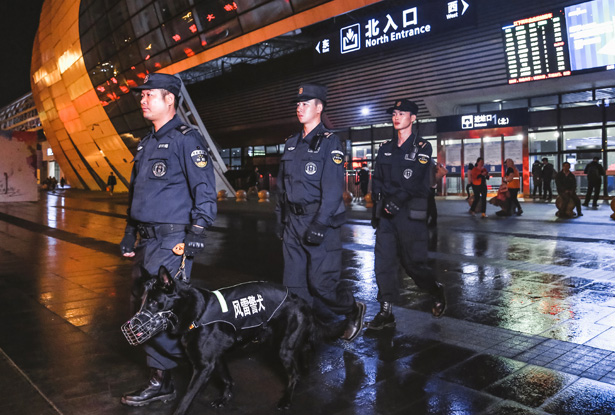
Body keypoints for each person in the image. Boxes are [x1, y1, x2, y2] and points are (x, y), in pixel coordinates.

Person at [119, 73, 217, 407]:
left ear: (170, 100)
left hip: (172, 241)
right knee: (143, 309)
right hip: (147, 241)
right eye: (142, 96)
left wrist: (197, 233)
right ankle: (169, 375)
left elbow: (204, 188)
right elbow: (137, 194)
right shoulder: (146, 144)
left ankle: (168, 378)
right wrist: (130, 234)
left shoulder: (186, 139)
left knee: (159, 312)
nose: (143, 100)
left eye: (150, 95)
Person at [275, 83, 365, 341]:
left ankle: (352, 308)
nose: (299, 108)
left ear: (319, 108)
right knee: (294, 285)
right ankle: (301, 332)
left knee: (321, 285)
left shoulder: (330, 143)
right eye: (298, 104)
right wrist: (279, 219)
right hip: (293, 222)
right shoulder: (291, 143)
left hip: (318, 221)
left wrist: (319, 224)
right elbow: (282, 187)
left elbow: (333, 190)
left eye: (305, 104)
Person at [366, 98, 446, 331]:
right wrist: (378, 209)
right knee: (383, 262)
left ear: (413, 118)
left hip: (409, 215)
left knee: (414, 264)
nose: (396, 116)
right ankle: (386, 310)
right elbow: (378, 180)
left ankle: (434, 289)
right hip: (387, 217)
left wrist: (396, 201)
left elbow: (417, 184)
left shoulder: (423, 147)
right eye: (394, 113)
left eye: (402, 113)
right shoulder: (385, 149)